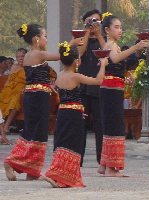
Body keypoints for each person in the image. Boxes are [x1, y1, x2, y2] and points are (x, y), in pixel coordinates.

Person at [4, 23, 81, 181]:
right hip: (38, 96)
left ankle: (30, 169)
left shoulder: (30, 55)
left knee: (32, 131)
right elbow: (60, 56)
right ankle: (14, 162)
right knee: (38, 132)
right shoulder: (37, 54)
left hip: (34, 96)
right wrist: (71, 43)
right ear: (36, 39)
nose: (46, 39)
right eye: (45, 36)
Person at [42, 42, 108, 188]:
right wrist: (103, 64)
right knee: (73, 144)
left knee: (62, 142)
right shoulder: (75, 76)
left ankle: (57, 175)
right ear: (76, 61)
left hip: (62, 112)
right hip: (74, 114)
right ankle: (63, 177)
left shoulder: (60, 76)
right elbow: (98, 80)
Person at [98, 12, 149, 176]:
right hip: (110, 91)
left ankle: (105, 165)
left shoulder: (113, 44)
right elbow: (114, 59)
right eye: (116, 27)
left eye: (121, 27)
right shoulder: (110, 45)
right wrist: (136, 47)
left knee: (112, 125)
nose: (120, 30)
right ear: (107, 30)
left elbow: (114, 68)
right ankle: (111, 168)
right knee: (115, 126)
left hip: (113, 88)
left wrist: (124, 79)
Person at [78, 9, 106, 168]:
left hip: (99, 87)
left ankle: (101, 160)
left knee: (100, 125)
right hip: (82, 87)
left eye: (97, 21)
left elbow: (107, 53)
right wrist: (87, 33)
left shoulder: (104, 38)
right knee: (80, 125)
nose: (94, 24)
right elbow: (79, 55)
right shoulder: (81, 38)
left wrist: (99, 34)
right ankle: (78, 159)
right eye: (91, 21)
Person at [0, 48, 27, 144]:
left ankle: (6, 127)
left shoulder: (28, 66)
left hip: (20, 90)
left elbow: (30, 81)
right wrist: (4, 91)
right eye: (18, 56)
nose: (20, 58)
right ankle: (2, 131)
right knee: (2, 102)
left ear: (26, 56)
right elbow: (8, 80)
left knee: (14, 102)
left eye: (22, 56)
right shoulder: (14, 67)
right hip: (9, 89)